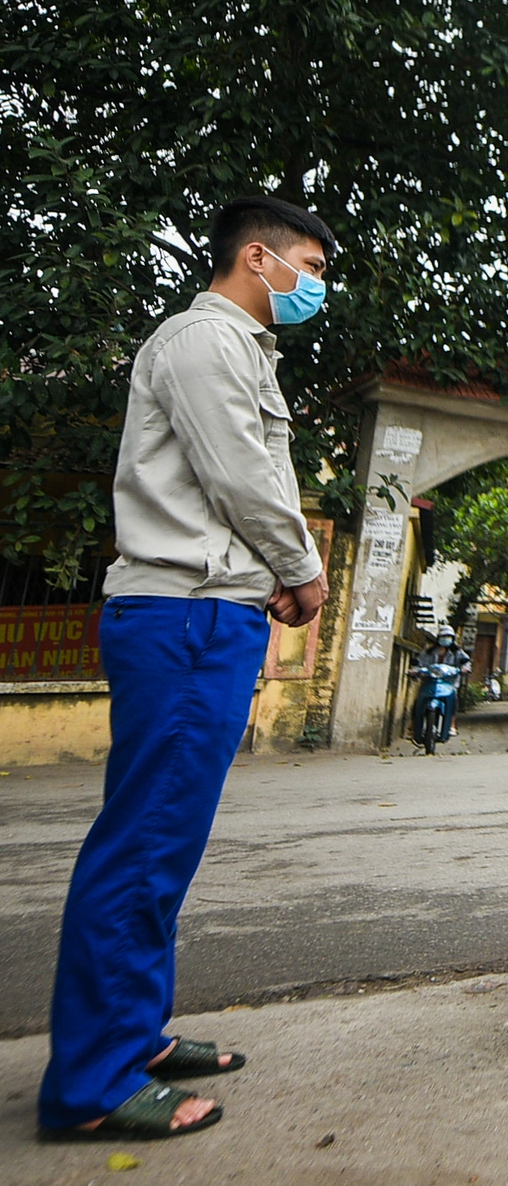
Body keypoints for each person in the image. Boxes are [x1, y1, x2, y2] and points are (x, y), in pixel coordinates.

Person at [39, 197, 334, 1140]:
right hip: (182, 616)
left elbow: (246, 483)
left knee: (165, 843)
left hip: (212, 612)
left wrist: (270, 578)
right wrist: (302, 569)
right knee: (143, 843)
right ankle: (90, 1083)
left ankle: (135, 1036)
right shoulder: (203, 344)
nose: (317, 288)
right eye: (310, 268)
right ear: (259, 257)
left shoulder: (245, 350)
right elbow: (241, 474)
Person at [409, 626, 472, 748]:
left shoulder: (457, 652)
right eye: (443, 637)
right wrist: (415, 670)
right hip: (429, 682)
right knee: (418, 702)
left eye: (448, 637)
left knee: (453, 701)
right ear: (438, 638)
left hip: (449, 683)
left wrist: (464, 668)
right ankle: (413, 725)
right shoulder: (429, 652)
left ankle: (452, 724)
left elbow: (465, 662)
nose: (446, 639)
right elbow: (419, 661)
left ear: (452, 639)